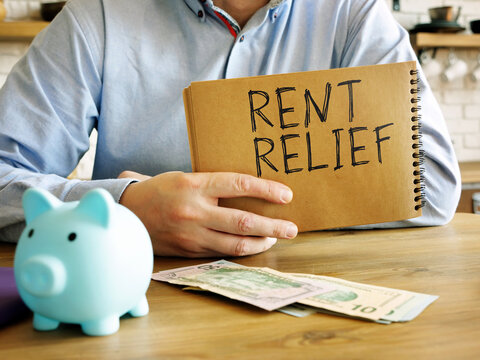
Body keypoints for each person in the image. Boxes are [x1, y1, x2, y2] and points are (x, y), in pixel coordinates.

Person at [0, 0, 461, 257]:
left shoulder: (354, 14)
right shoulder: (96, 16)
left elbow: (432, 187)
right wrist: (125, 209)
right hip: (133, 303)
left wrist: (253, 209)